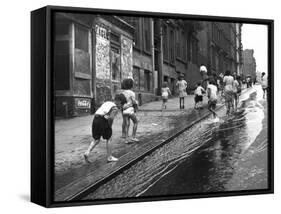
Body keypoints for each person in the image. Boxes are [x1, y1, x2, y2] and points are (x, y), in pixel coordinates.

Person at [84, 93, 127, 163]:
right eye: (121, 104)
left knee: (96, 139)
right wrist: (109, 126)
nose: (121, 106)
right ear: (119, 101)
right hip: (102, 120)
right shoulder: (115, 108)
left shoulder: (108, 103)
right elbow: (111, 118)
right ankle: (109, 157)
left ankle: (87, 152)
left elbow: (102, 112)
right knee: (109, 138)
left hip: (95, 119)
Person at [122, 78, 139, 144]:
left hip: (124, 110)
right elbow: (134, 102)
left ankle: (126, 139)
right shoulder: (132, 93)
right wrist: (136, 107)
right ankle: (133, 137)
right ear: (131, 85)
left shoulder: (122, 92)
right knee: (136, 122)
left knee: (127, 124)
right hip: (130, 110)